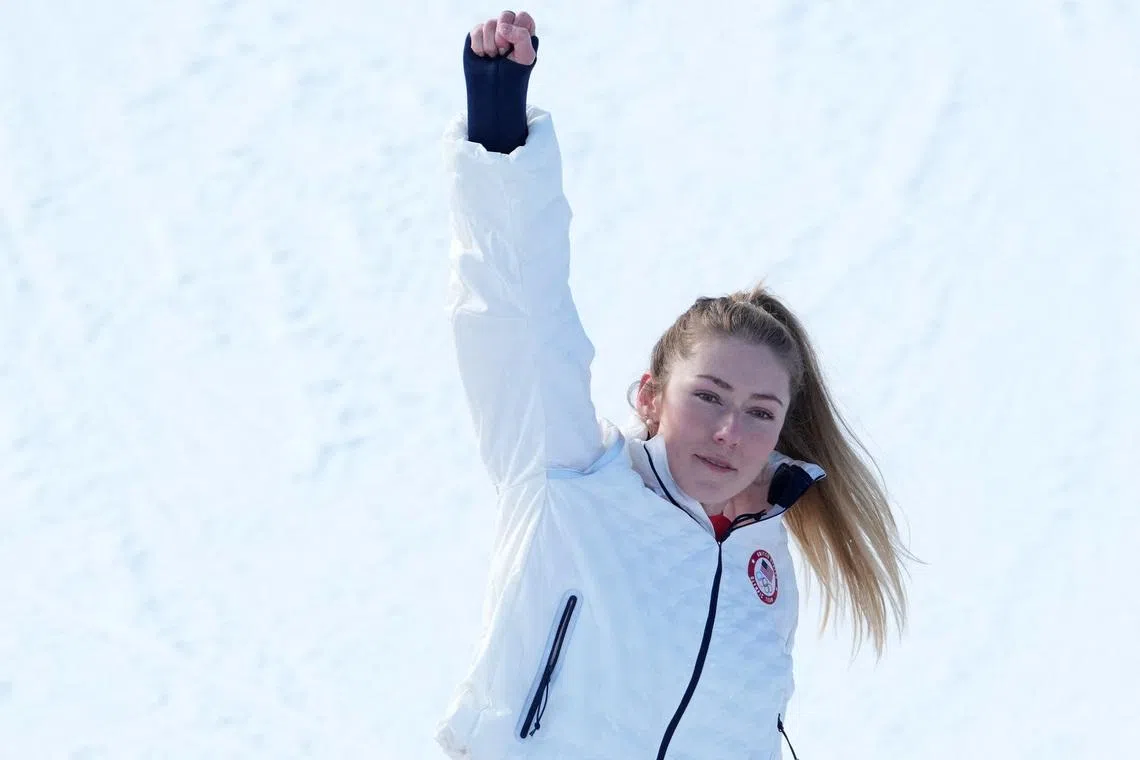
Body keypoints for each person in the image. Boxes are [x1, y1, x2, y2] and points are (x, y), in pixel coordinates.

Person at [436, 11, 910, 759]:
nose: (731, 431)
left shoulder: (767, 573)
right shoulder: (570, 478)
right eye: (710, 396)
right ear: (650, 396)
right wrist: (500, 129)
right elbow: (518, 315)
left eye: (760, 411)